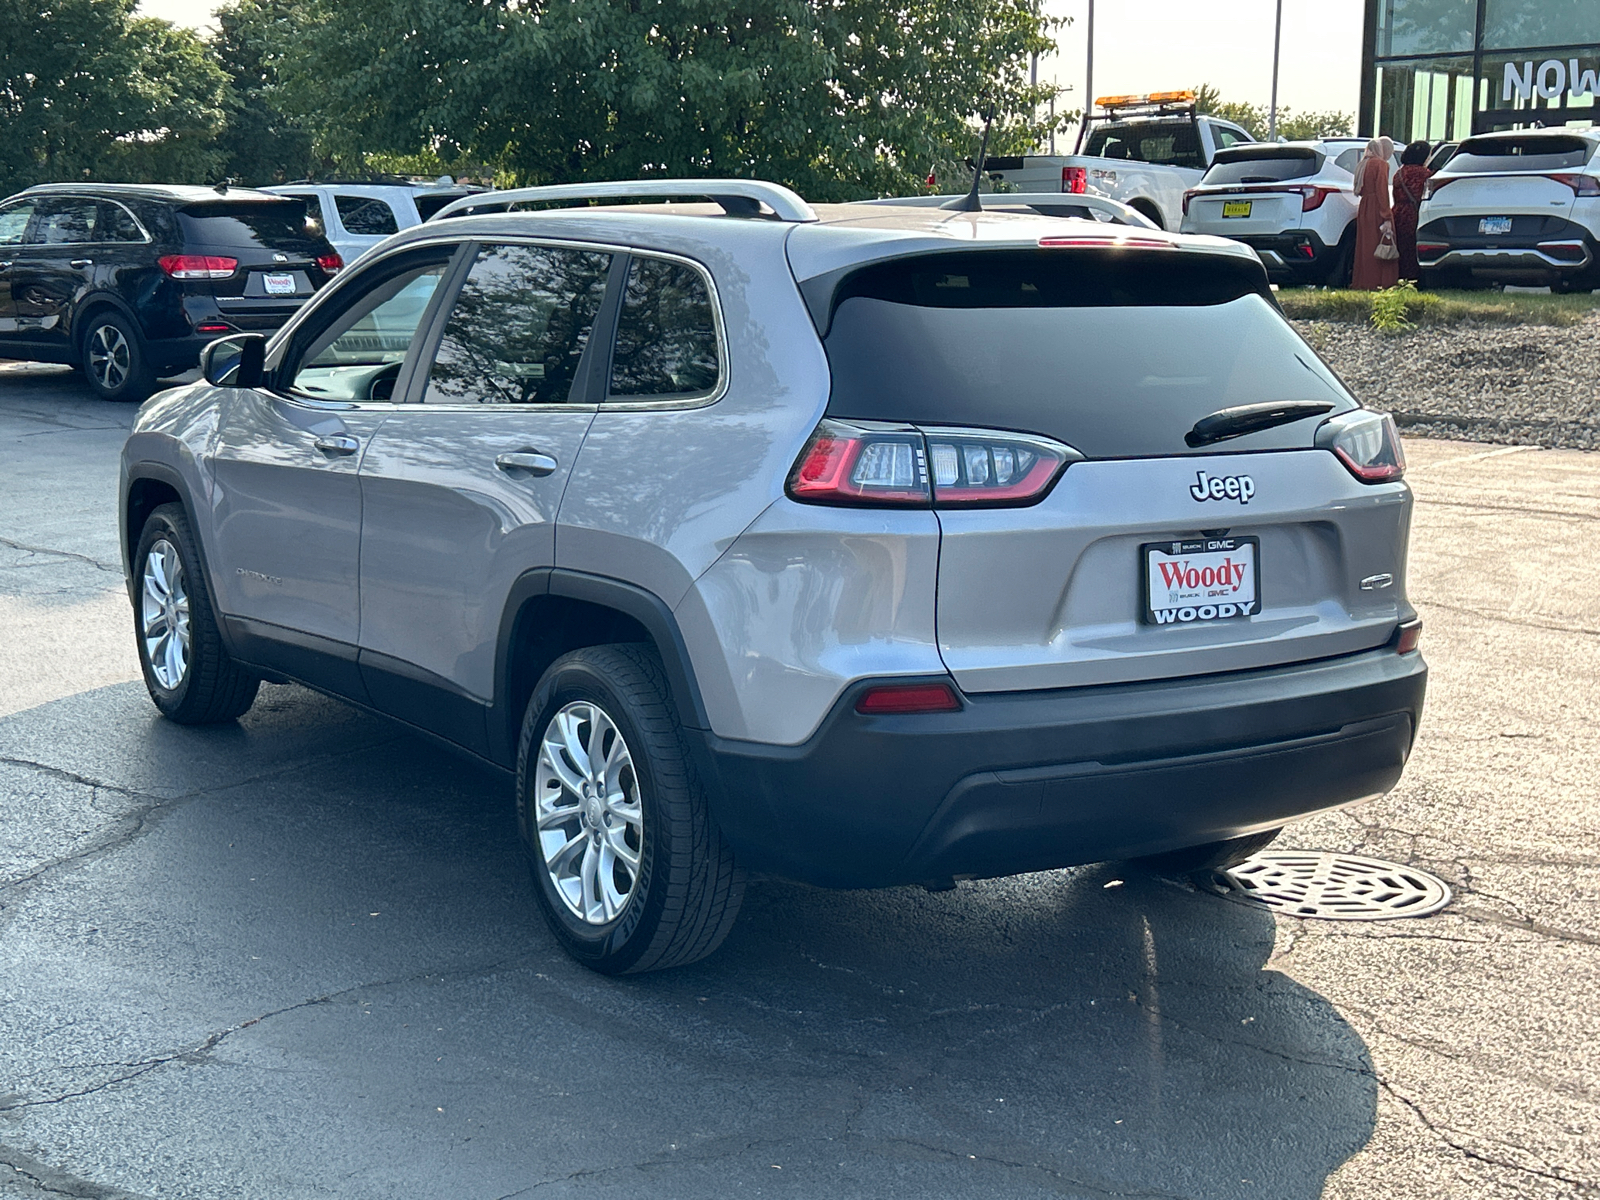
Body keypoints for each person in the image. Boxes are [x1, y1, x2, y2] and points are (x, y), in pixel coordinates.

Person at [1351, 136, 1400, 291]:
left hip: (1364, 206)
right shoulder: (1381, 164)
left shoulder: (1362, 164)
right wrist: (1386, 216)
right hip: (1377, 207)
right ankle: (1382, 281)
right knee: (1381, 242)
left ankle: (1363, 281)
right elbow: (1382, 191)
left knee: (1364, 245)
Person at [1392, 140, 1433, 282]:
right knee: (1412, 249)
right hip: (1414, 214)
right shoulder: (1425, 174)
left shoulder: (1399, 173)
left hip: (1398, 213)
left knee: (1401, 248)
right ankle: (1413, 279)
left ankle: (1400, 277)